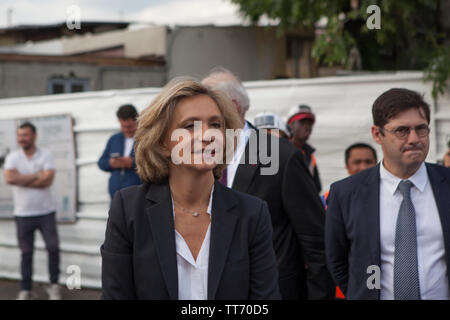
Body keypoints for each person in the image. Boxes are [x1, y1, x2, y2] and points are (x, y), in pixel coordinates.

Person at [101, 78, 281, 300]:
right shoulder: (128, 210)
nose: (207, 135)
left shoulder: (252, 214)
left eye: (215, 125)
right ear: (162, 143)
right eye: (189, 126)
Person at [202, 67, 334, 300]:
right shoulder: (195, 155)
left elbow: (315, 241)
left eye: (205, 103)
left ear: (232, 106)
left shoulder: (280, 155)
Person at [326, 88, 450, 300]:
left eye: (421, 129)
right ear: (377, 134)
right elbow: (337, 260)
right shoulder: (346, 193)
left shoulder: (445, 184)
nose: (414, 139)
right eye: (401, 131)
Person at [3, 122, 61, 300]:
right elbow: (9, 178)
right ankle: (25, 290)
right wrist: (36, 175)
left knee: (53, 248)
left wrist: (21, 179)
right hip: (23, 214)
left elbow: (48, 180)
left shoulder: (46, 155)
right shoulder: (13, 157)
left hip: (46, 212)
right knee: (26, 253)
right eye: (20, 135)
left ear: (34, 136)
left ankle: (54, 285)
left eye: (26, 135)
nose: (22, 139)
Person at [321, 142, 378, 299]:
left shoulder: (388, 196)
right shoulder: (329, 199)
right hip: (343, 289)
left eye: (368, 162)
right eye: (357, 162)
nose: (363, 166)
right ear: (347, 166)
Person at [98, 104, 141, 199]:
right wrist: (111, 163)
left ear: (137, 121)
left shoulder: (145, 139)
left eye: (129, 126)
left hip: (137, 195)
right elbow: (101, 162)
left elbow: (154, 162)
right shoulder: (114, 139)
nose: (126, 130)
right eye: (123, 126)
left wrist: (132, 163)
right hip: (116, 194)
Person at [287, 104, 322, 193]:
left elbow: (317, 187)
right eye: (302, 122)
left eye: (309, 123)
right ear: (291, 124)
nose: (307, 126)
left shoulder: (309, 154)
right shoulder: (282, 150)